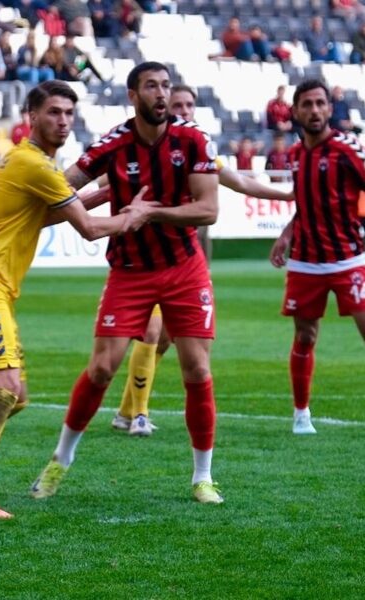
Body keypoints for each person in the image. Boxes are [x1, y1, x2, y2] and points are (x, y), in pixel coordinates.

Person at [0, 81, 152, 517]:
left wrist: (106, 193)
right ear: (31, 117)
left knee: (16, 395)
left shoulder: (30, 163)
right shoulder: (34, 164)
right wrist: (136, 215)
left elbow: (43, 216)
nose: (63, 121)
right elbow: (89, 229)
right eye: (54, 112)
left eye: (69, 113)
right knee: (4, 392)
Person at [28, 62, 226, 504]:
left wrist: (150, 212)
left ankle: (203, 476)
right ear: (133, 96)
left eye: (166, 85)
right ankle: (60, 460)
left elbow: (209, 209)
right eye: (151, 86)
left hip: (184, 268)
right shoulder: (112, 145)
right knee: (101, 367)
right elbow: (62, 187)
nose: (161, 94)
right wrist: (24, 205)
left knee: (197, 369)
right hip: (130, 270)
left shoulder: (193, 139)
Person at [110, 83, 294, 436]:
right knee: (151, 332)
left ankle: (125, 410)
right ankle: (139, 415)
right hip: (143, 257)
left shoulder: (198, 149)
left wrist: (285, 195)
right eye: (177, 104)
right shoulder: (140, 147)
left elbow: (241, 183)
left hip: (182, 259)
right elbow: (108, 182)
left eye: (188, 105)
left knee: (165, 338)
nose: (183, 110)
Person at [269, 79, 365, 435]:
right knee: (305, 335)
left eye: (320, 103)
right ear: (295, 111)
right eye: (307, 104)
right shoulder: (295, 156)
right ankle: (301, 413)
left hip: (348, 259)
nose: (314, 110)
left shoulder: (347, 149)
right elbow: (307, 203)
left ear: (329, 108)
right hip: (305, 262)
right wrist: (286, 234)